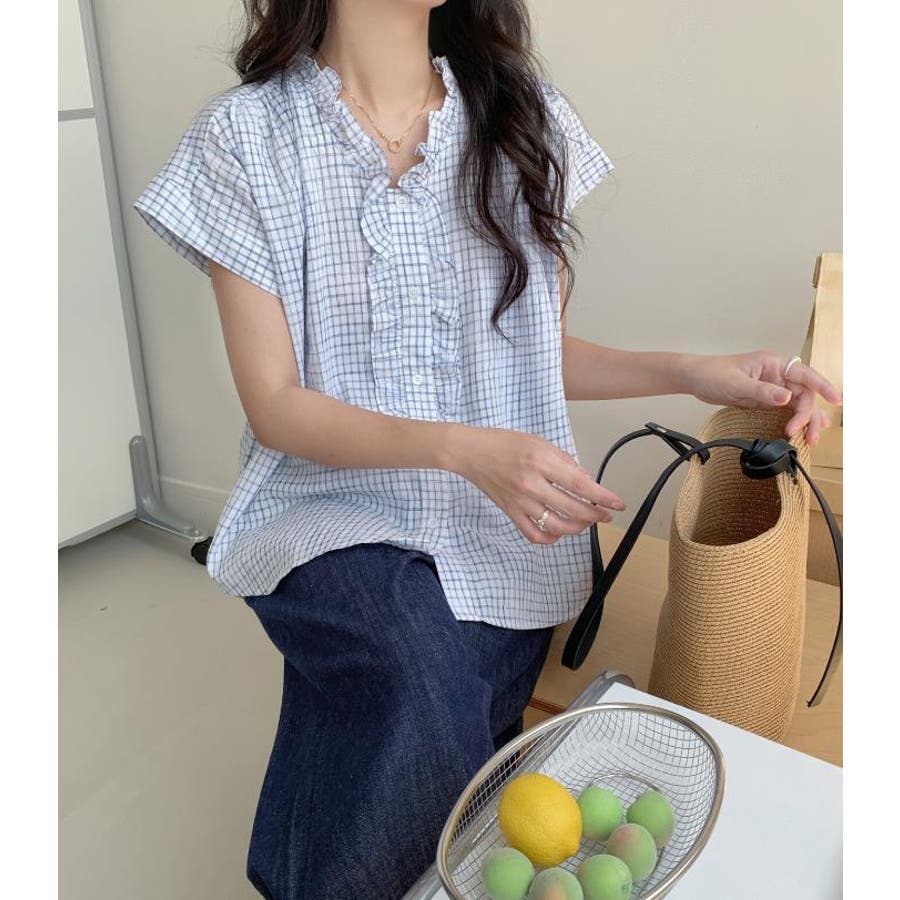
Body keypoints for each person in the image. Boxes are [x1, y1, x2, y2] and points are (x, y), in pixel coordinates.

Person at [132, 2, 842, 898]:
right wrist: (468, 452)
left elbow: (533, 355)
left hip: (506, 529)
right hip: (327, 508)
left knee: (438, 716)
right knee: (420, 682)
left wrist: (692, 372)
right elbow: (275, 406)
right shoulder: (243, 139)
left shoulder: (521, 117)